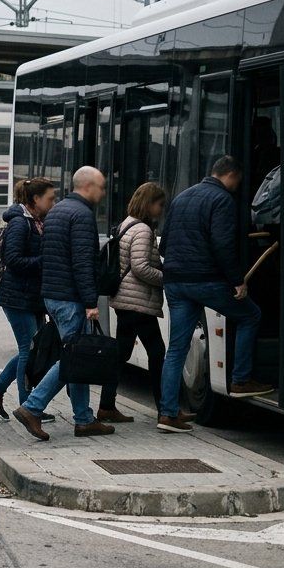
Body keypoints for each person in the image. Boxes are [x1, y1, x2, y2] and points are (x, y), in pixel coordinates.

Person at [159, 156, 272, 417]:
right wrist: (237, 281)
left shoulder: (182, 197)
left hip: (175, 282)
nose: (237, 186)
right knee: (250, 315)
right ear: (231, 175)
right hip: (205, 280)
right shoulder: (222, 200)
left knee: (176, 349)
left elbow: (165, 244)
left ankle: (168, 413)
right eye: (238, 181)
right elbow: (223, 245)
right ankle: (241, 379)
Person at [12, 166, 116, 441]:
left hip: (54, 295)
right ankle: (32, 407)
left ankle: (84, 419)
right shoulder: (81, 215)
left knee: (76, 355)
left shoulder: (56, 211)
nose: (103, 193)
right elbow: (83, 262)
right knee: (72, 358)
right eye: (101, 187)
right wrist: (90, 301)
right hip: (70, 298)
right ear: (88, 186)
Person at [103, 182, 190, 430]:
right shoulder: (142, 229)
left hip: (126, 300)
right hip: (137, 302)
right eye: (160, 204)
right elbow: (140, 267)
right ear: (149, 203)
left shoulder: (126, 224)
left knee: (122, 354)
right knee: (157, 354)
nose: (161, 209)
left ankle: (106, 406)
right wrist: (166, 278)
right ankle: (166, 410)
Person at [0, 177, 56, 422]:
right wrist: (43, 261)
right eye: (50, 199)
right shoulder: (20, 224)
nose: (53, 203)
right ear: (35, 200)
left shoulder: (36, 222)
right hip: (17, 297)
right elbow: (13, 259)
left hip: (30, 297)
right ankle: (28, 407)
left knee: (30, 350)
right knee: (28, 351)